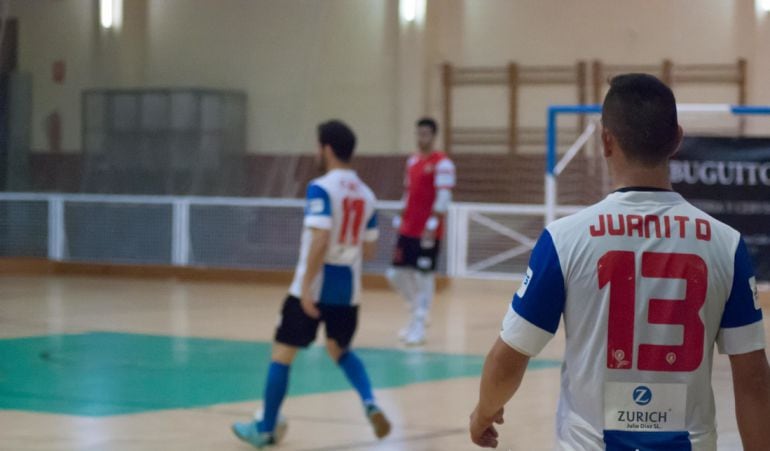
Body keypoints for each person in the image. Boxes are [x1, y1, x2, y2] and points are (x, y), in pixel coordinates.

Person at [470, 74, 770, 450]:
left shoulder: (564, 239)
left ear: (605, 140)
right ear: (677, 139)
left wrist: (483, 412)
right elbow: (753, 379)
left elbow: (510, 356)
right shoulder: (727, 244)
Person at [232, 120, 391, 448]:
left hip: (317, 284)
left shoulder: (321, 187)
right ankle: (369, 401)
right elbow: (371, 249)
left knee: (282, 354)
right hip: (347, 289)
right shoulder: (367, 195)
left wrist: (306, 289)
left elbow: (320, 238)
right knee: (339, 350)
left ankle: (265, 428)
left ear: (327, 149)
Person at [386, 117, 456, 346]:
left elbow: (444, 196)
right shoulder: (413, 161)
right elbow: (409, 192)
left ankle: (418, 325)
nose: (421, 138)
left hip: (427, 232)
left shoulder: (443, 164)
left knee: (424, 276)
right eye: (418, 133)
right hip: (408, 229)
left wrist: (433, 222)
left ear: (433, 136)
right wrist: (401, 215)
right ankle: (416, 310)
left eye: (425, 134)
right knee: (395, 274)